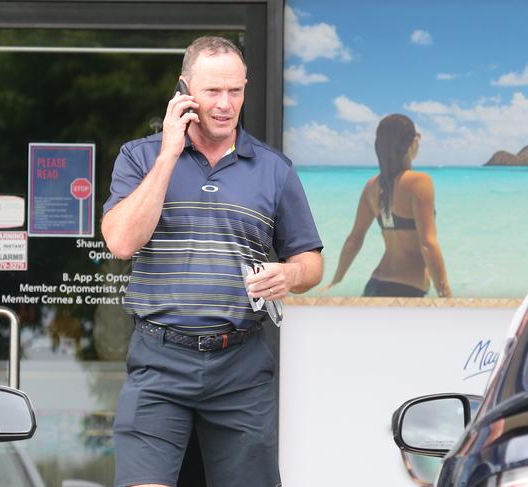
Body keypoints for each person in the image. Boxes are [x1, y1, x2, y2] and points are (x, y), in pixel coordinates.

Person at [101, 36, 323, 487]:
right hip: (159, 360)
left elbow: (311, 261)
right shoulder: (140, 157)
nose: (225, 105)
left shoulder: (274, 169)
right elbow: (121, 242)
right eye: (212, 92)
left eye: (235, 91)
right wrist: (168, 153)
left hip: (240, 366)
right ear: (183, 91)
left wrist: (290, 273)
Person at [322, 113, 451, 298]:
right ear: (413, 141)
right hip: (408, 291)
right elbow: (428, 245)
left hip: (375, 285)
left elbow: (354, 239)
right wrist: (444, 292)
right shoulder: (419, 182)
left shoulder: (372, 186)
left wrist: (336, 279)